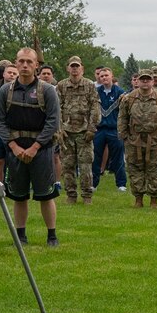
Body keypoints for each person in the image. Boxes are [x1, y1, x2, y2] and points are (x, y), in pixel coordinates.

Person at [0, 46, 61, 245]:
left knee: (46, 195)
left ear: (36, 66)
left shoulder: (47, 91)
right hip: (15, 151)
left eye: (29, 62)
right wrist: (13, 147)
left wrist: (35, 147)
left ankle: (52, 235)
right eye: (21, 61)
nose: (25, 65)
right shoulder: (6, 91)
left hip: (42, 151)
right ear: (15, 63)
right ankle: (21, 236)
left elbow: (53, 121)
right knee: (19, 196)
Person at [120, 69, 157, 207]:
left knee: (155, 171)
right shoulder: (129, 98)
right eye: (142, 79)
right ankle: (138, 199)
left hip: (155, 141)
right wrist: (125, 137)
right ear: (137, 81)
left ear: (152, 81)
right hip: (134, 141)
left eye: (147, 79)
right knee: (135, 170)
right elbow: (122, 119)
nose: (145, 81)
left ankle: (154, 201)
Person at [55, 55, 101, 205]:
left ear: (82, 68)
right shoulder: (61, 86)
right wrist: (59, 129)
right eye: (72, 66)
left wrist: (92, 128)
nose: (74, 69)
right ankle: (71, 194)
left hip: (84, 131)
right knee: (67, 166)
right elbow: (56, 108)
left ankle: (87, 195)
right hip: (67, 132)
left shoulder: (89, 85)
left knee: (86, 165)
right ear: (67, 68)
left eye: (77, 66)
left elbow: (95, 106)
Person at [91, 65, 127, 194]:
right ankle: (93, 184)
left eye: (106, 75)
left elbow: (125, 113)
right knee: (95, 158)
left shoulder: (120, 92)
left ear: (112, 76)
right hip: (99, 130)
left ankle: (121, 184)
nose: (104, 78)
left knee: (118, 158)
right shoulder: (96, 92)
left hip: (114, 130)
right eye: (101, 76)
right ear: (98, 78)